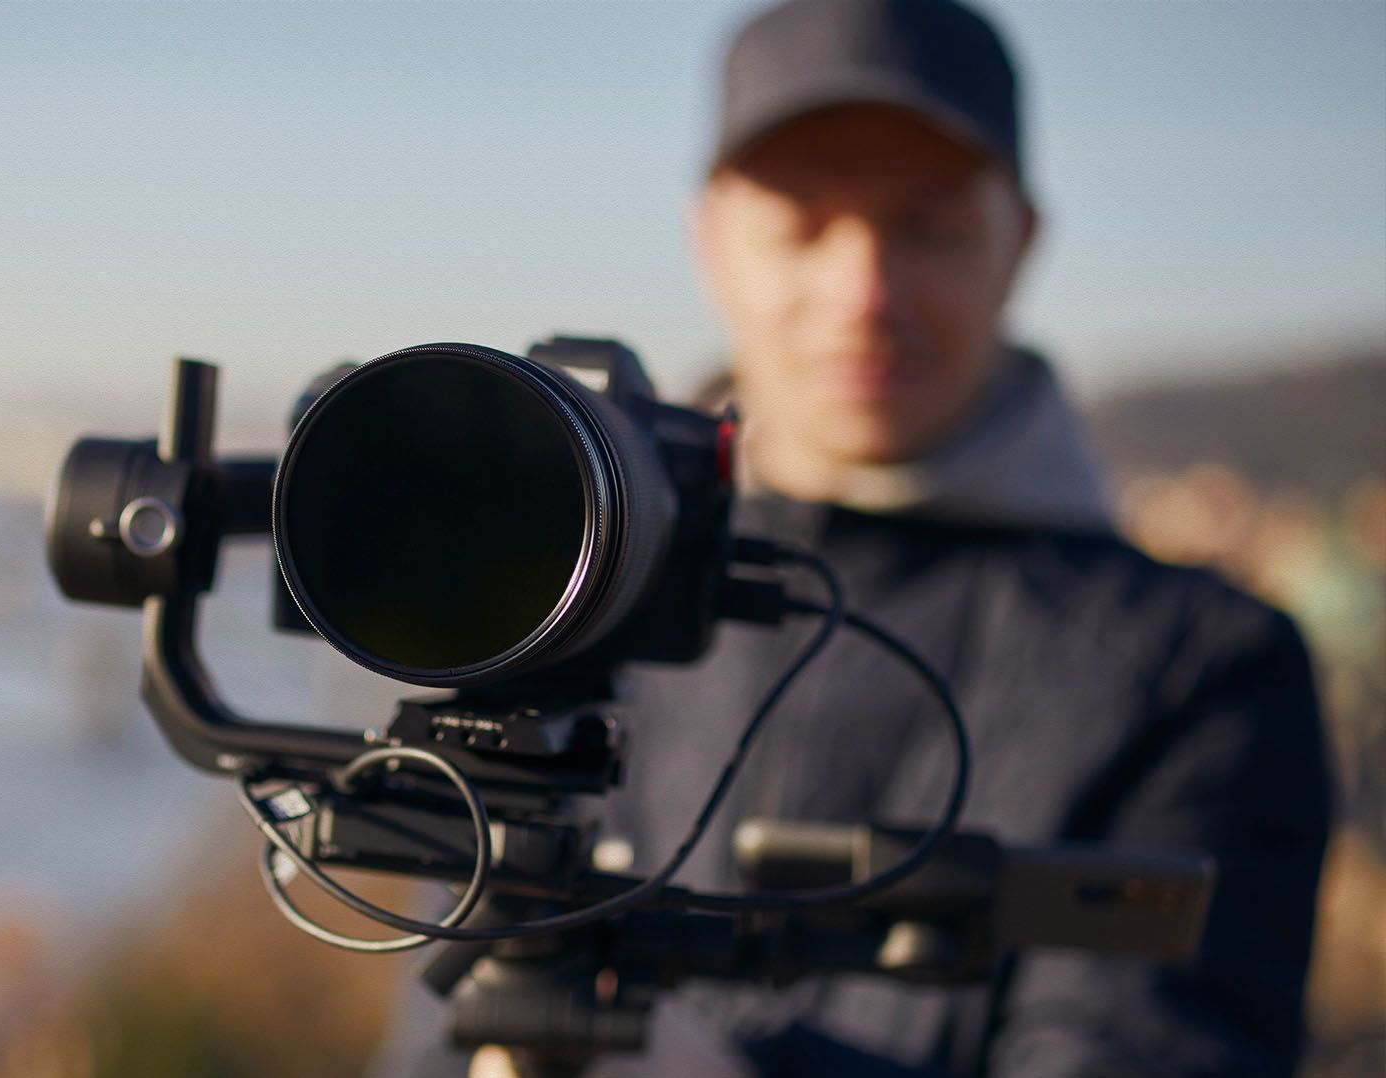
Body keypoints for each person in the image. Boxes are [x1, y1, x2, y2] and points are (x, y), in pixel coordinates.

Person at [372, 0, 1332, 1074]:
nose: (861, 291)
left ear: (1017, 240)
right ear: (708, 242)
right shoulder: (564, 600)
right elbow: (434, 1018)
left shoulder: (1199, 669)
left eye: (923, 225)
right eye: (800, 225)